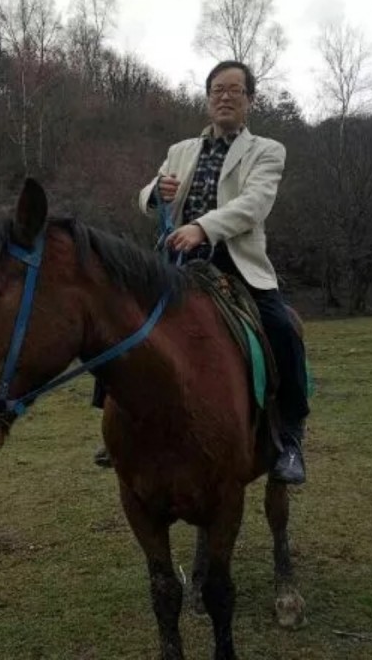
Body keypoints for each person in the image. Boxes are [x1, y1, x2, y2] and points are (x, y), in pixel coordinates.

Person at [95, 60, 309, 485]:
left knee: (282, 329)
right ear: (208, 98)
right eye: (217, 90)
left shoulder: (268, 150)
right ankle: (117, 426)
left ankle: (290, 437)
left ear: (250, 99)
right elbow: (147, 196)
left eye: (234, 90)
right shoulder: (181, 150)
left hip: (235, 262)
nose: (224, 97)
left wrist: (202, 228)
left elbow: (253, 205)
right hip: (177, 262)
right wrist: (155, 193)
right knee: (117, 319)